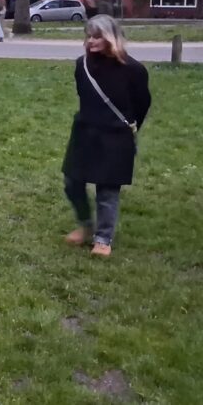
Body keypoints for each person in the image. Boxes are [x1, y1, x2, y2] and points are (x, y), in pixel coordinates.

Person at [62, 14, 151, 257]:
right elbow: (84, 96)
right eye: (88, 36)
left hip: (115, 136)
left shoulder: (134, 70)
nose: (91, 41)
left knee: (107, 190)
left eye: (97, 36)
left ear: (111, 37)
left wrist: (127, 129)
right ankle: (86, 226)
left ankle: (103, 239)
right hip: (85, 132)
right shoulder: (83, 65)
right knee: (72, 183)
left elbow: (141, 104)